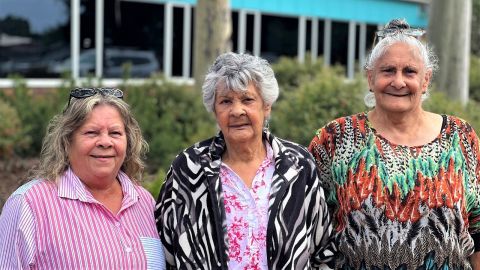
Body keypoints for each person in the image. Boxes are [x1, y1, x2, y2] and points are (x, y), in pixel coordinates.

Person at [308, 18, 480, 269]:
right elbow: (309, 228)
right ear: (370, 77)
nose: (398, 82)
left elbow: (478, 230)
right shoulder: (336, 138)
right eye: (388, 70)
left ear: (425, 80)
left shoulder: (460, 137)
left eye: (409, 71)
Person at [155, 52, 335, 269]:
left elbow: (322, 250)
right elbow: (166, 252)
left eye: (247, 99)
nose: (236, 110)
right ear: (214, 109)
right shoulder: (188, 167)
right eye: (225, 101)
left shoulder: (298, 165)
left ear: (266, 106)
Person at [0, 87, 166, 269]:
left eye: (115, 133)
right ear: (66, 141)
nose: (105, 142)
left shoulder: (145, 203)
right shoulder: (29, 205)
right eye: (92, 133)